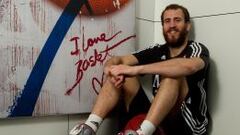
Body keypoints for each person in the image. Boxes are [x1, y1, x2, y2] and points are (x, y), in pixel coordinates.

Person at [70, 3, 210, 135]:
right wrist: (110, 69)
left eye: (177, 20)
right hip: (158, 119)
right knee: (121, 73)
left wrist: (136, 70)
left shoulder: (197, 49)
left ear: (187, 26)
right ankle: (90, 127)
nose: (172, 25)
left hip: (188, 123)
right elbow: (118, 60)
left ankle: (142, 132)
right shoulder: (157, 50)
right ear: (162, 26)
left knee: (171, 77)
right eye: (167, 21)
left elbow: (188, 66)